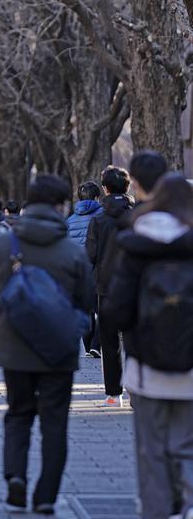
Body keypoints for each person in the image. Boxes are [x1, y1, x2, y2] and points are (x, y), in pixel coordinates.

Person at [0, 174, 94, 515]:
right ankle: (46, 494)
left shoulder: (5, 245)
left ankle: (15, 478)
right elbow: (86, 299)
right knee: (54, 423)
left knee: (18, 415)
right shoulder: (72, 250)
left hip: (14, 345)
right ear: (60, 205)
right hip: (59, 350)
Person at [104, 173, 193, 519]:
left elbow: (115, 311)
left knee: (151, 449)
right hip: (190, 368)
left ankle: (156, 512)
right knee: (187, 445)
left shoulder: (134, 244)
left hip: (145, 369)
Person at [86, 165, 135, 405]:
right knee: (136, 339)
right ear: (128, 187)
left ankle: (114, 393)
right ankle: (138, 390)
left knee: (108, 340)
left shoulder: (98, 219)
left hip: (105, 286)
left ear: (104, 189)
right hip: (136, 286)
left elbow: (90, 254)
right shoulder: (137, 216)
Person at [67, 181, 102, 357]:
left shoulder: (70, 220)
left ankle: (88, 346)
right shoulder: (102, 216)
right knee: (102, 309)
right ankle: (97, 345)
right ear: (97, 197)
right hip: (98, 270)